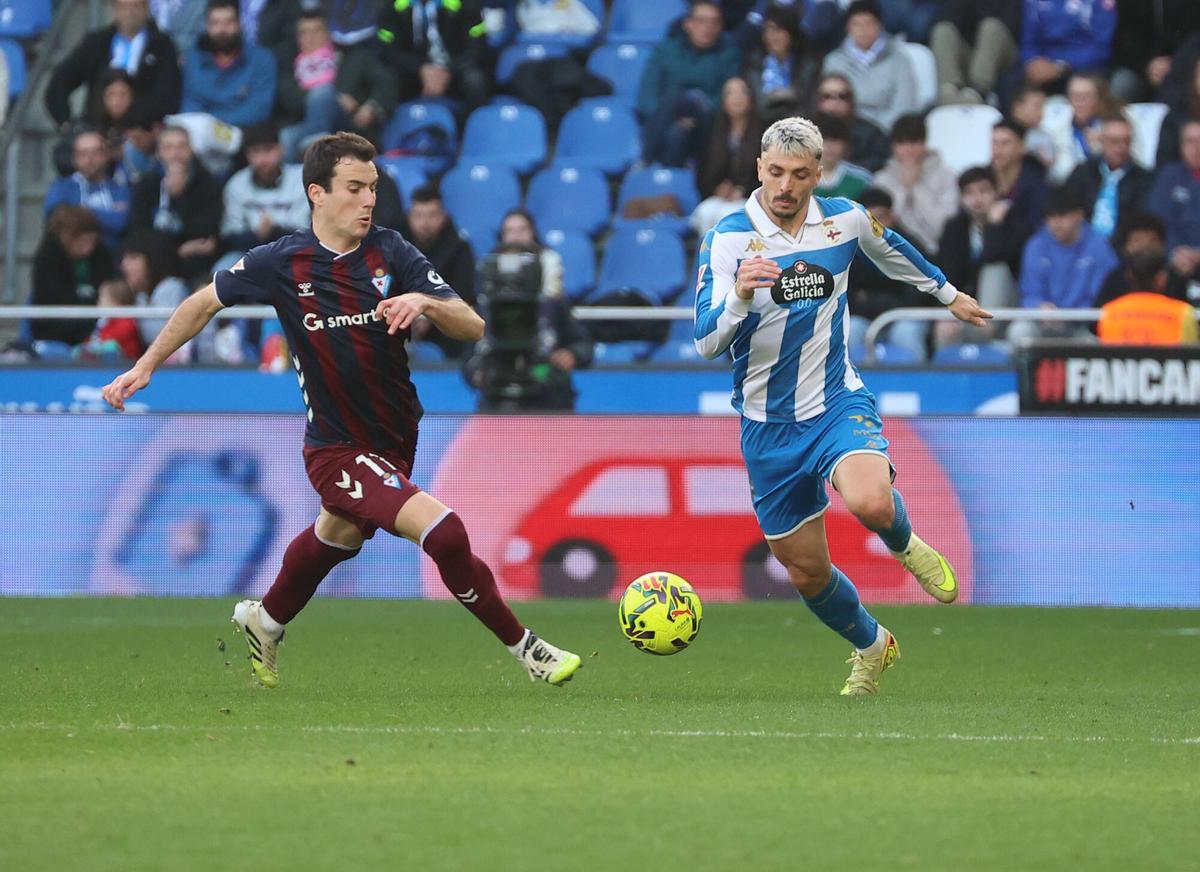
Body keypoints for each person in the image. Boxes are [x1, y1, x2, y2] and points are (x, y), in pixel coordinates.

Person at [100, 132, 582, 690]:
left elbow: (474, 325)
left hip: (395, 438)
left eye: (373, 188)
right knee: (445, 534)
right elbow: (202, 302)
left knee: (339, 535)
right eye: (354, 188)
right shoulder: (282, 262)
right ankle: (529, 650)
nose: (368, 200)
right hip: (335, 448)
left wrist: (424, 301)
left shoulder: (391, 251)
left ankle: (267, 619)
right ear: (317, 194)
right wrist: (146, 365)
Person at [693, 117, 991, 695]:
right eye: (775, 172)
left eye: (799, 175)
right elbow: (706, 341)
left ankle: (905, 543)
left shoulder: (844, 221)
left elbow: (891, 247)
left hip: (834, 401)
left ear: (818, 175)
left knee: (871, 501)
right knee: (805, 571)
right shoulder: (728, 238)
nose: (785, 186)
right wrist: (739, 296)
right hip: (766, 427)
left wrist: (948, 295)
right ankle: (872, 645)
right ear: (759, 168)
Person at [44, 0, 181, 132]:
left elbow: (168, 95)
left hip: (144, 133)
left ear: (146, 9)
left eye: (136, 6)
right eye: (123, 6)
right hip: (97, 130)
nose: (129, 12)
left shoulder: (162, 46)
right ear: (114, 9)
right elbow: (60, 82)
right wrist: (67, 125)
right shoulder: (97, 42)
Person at [636, 0, 742, 167]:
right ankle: (671, 180)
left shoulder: (728, 54)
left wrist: (696, 113)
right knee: (676, 133)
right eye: (701, 21)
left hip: (708, 122)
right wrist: (671, 118)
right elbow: (647, 95)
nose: (708, 27)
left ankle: (645, 161)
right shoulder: (666, 50)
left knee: (682, 100)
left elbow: (730, 97)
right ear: (688, 24)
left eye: (715, 22)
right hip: (667, 121)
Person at [1010, 185, 1119, 345]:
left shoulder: (1099, 247)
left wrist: (1069, 316)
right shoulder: (1036, 245)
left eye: (1062, 216)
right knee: (1019, 331)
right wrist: (1040, 307)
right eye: (1050, 217)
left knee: (1094, 344)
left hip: (1082, 327)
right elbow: (1029, 292)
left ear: (1079, 215)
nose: (1055, 223)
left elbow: (1102, 297)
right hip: (1042, 323)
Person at [129, 125, 224, 282]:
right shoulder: (146, 184)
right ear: (159, 152)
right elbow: (138, 231)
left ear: (191, 150)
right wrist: (177, 250)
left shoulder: (209, 184)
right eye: (168, 147)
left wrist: (178, 198)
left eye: (181, 146)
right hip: (157, 264)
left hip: (198, 265)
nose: (175, 154)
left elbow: (205, 233)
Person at [402, 185, 478, 359]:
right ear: (409, 217)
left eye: (432, 215)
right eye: (418, 216)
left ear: (443, 217)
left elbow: (463, 293)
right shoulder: (395, 246)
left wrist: (430, 315)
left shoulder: (459, 249)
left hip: (443, 322)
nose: (425, 223)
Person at [820, 0, 918, 133]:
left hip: (886, 133)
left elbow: (904, 107)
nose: (863, 30)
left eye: (868, 23)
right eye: (857, 24)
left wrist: (874, 129)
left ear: (880, 26)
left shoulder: (899, 60)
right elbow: (829, 106)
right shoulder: (833, 61)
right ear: (847, 28)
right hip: (843, 134)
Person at [180, 0, 277, 130]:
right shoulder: (194, 60)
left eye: (228, 22)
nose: (222, 30)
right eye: (215, 23)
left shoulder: (262, 59)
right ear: (207, 27)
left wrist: (214, 125)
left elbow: (259, 109)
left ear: (240, 24)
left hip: (247, 132)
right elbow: (190, 105)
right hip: (202, 135)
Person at [871, 113, 959, 255]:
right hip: (894, 253)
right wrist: (904, 189)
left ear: (925, 143)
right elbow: (883, 225)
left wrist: (917, 187)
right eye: (902, 143)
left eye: (914, 142)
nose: (908, 149)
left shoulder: (946, 175)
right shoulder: (882, 179)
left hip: (938, 250)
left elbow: (943, 226)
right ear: (893, 146)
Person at [30, 206, 115, 351]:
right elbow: (51, 301)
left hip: (92, 331)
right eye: (82, 242)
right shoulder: (46, 260)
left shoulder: (102, 256)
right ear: (66, 236)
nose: (88, 248)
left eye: (91, 241)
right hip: (55, 331)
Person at [43, 128, 132, 255]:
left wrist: (79, 213)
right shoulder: (61, 186)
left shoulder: (121, 189)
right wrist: (104, 216)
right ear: (74, 158)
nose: (89, 159)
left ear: (106, 155)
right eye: (83, 154)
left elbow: (120, 223)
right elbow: (57, 219)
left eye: (95, 153)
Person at [1064, 115, 1153, 238]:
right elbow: (1067, 207)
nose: (1121, 147)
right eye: (1114, 141)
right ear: (1102, 142)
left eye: (1126, 141)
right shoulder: (1083, 172)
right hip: (1082, 243)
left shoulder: (1144, 179)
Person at [928, 0, 1019, 105]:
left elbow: (1014, 27)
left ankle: (978, 92)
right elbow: (947, 18)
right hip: (973, 54)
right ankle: (950, 91)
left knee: (990, 27)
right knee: (943, 31)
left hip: (1005, 53)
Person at [1147, 120, 1200, 281]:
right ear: (1181, 145)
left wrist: (1197, 254)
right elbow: (1157, 220)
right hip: (1171, 261)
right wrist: (1174, 251)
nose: (1196, 148)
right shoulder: (1168, 176)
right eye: (1191, 142)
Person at [698, 77, 763, 201]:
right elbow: (702, 173)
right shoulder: (712, 130)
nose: (736, 98)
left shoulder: (763, 132)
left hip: (752, 199)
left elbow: (769, 175)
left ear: (751, 97)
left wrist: (744, 190)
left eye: (742, 92)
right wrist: (716, 189)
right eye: (730, 93)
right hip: (718, 199)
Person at [812, 73, 889, 173]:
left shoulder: (871, 134)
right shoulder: (803, 132)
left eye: (842, 96)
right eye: (827, 96)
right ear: (818, 100)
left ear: (851, 100)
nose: (835, 102)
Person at [812, 112, 872, 200]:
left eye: (835, 141)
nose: (829, 147)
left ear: (846, 144)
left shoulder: (862, 180)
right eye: (823, 140)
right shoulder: (797, 177)